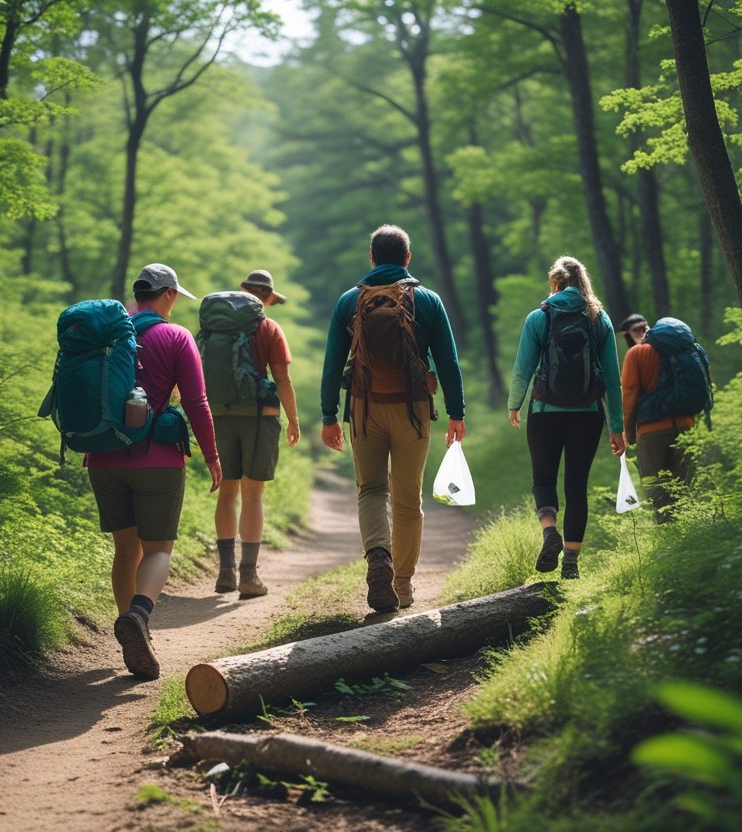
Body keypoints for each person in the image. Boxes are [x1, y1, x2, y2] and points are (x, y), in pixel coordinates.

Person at [85, 263, 222, 680]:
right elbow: (197, 402)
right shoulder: (175, 336)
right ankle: (140, 617)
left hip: (103, 458)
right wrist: (213, 456)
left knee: (126, 550)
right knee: (159, 549)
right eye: (176, 295)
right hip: (158, 460)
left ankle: (130, 633)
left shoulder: (107, 335)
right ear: (167, 295)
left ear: (136, 295)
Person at [320, 224, 465, 613]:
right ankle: (401, 585)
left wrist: (328, 414)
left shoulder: (349, 301)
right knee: (406, 498)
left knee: (371, 490)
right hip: (413, 410)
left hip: (364, 409)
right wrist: (456, 412)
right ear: (407, 258)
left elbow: (333, 364)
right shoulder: (428, 300)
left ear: (371, 258)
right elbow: (448, 362)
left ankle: (378, 557)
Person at [507, 255, 626, 579]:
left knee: (543, 480)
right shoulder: (598, 319)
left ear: (555, 283)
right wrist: (617, 426)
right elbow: (613, 378)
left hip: (545, 412)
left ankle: (550, 532)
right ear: (582, 282)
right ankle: (571, 564)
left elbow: (523, 369)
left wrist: (515, 404)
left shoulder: (538, 317)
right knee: (577, 487)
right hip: (588, 416)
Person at [211, 269, 300, 598]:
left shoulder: (213, 327)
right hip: (259, 416)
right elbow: (283, 379)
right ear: (267, 297)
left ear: (243, 291)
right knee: (253, 494)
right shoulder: (268, 328)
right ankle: (248, 576)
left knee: (227, 493)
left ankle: (225, 573)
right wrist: (293, 420)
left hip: (220, 413)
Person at [621, 317, 698, 522]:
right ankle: (688, 530)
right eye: (638, 329)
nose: (644, 330)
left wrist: (628, 433)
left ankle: (668, 537)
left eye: (644, 327)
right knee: (683, 485)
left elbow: (629, 393)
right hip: (687, 426)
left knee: (655, 488)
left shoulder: (636, 354)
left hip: (651, 431)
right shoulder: (682, 352)